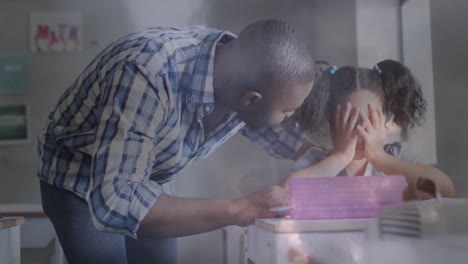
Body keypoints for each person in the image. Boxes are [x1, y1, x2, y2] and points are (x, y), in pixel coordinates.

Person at [37, 20, 317, 264]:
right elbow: (116, 200)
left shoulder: (243, 72)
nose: (288, 118)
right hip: (79, 175)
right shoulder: (148, 72)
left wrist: (331, 154)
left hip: (148, 175)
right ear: (252, 99)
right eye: (288, 111)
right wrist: (241, 208)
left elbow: (268, 127)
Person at [285, 60, 456, 199]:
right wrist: (340, 157)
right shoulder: (317, 160)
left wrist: (379, 157)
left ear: (384, 120)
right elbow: (284, 193)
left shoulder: (396, 156)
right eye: (350, 121)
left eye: (370, 121)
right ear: (332, 123)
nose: (361, 132)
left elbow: (445, 190)